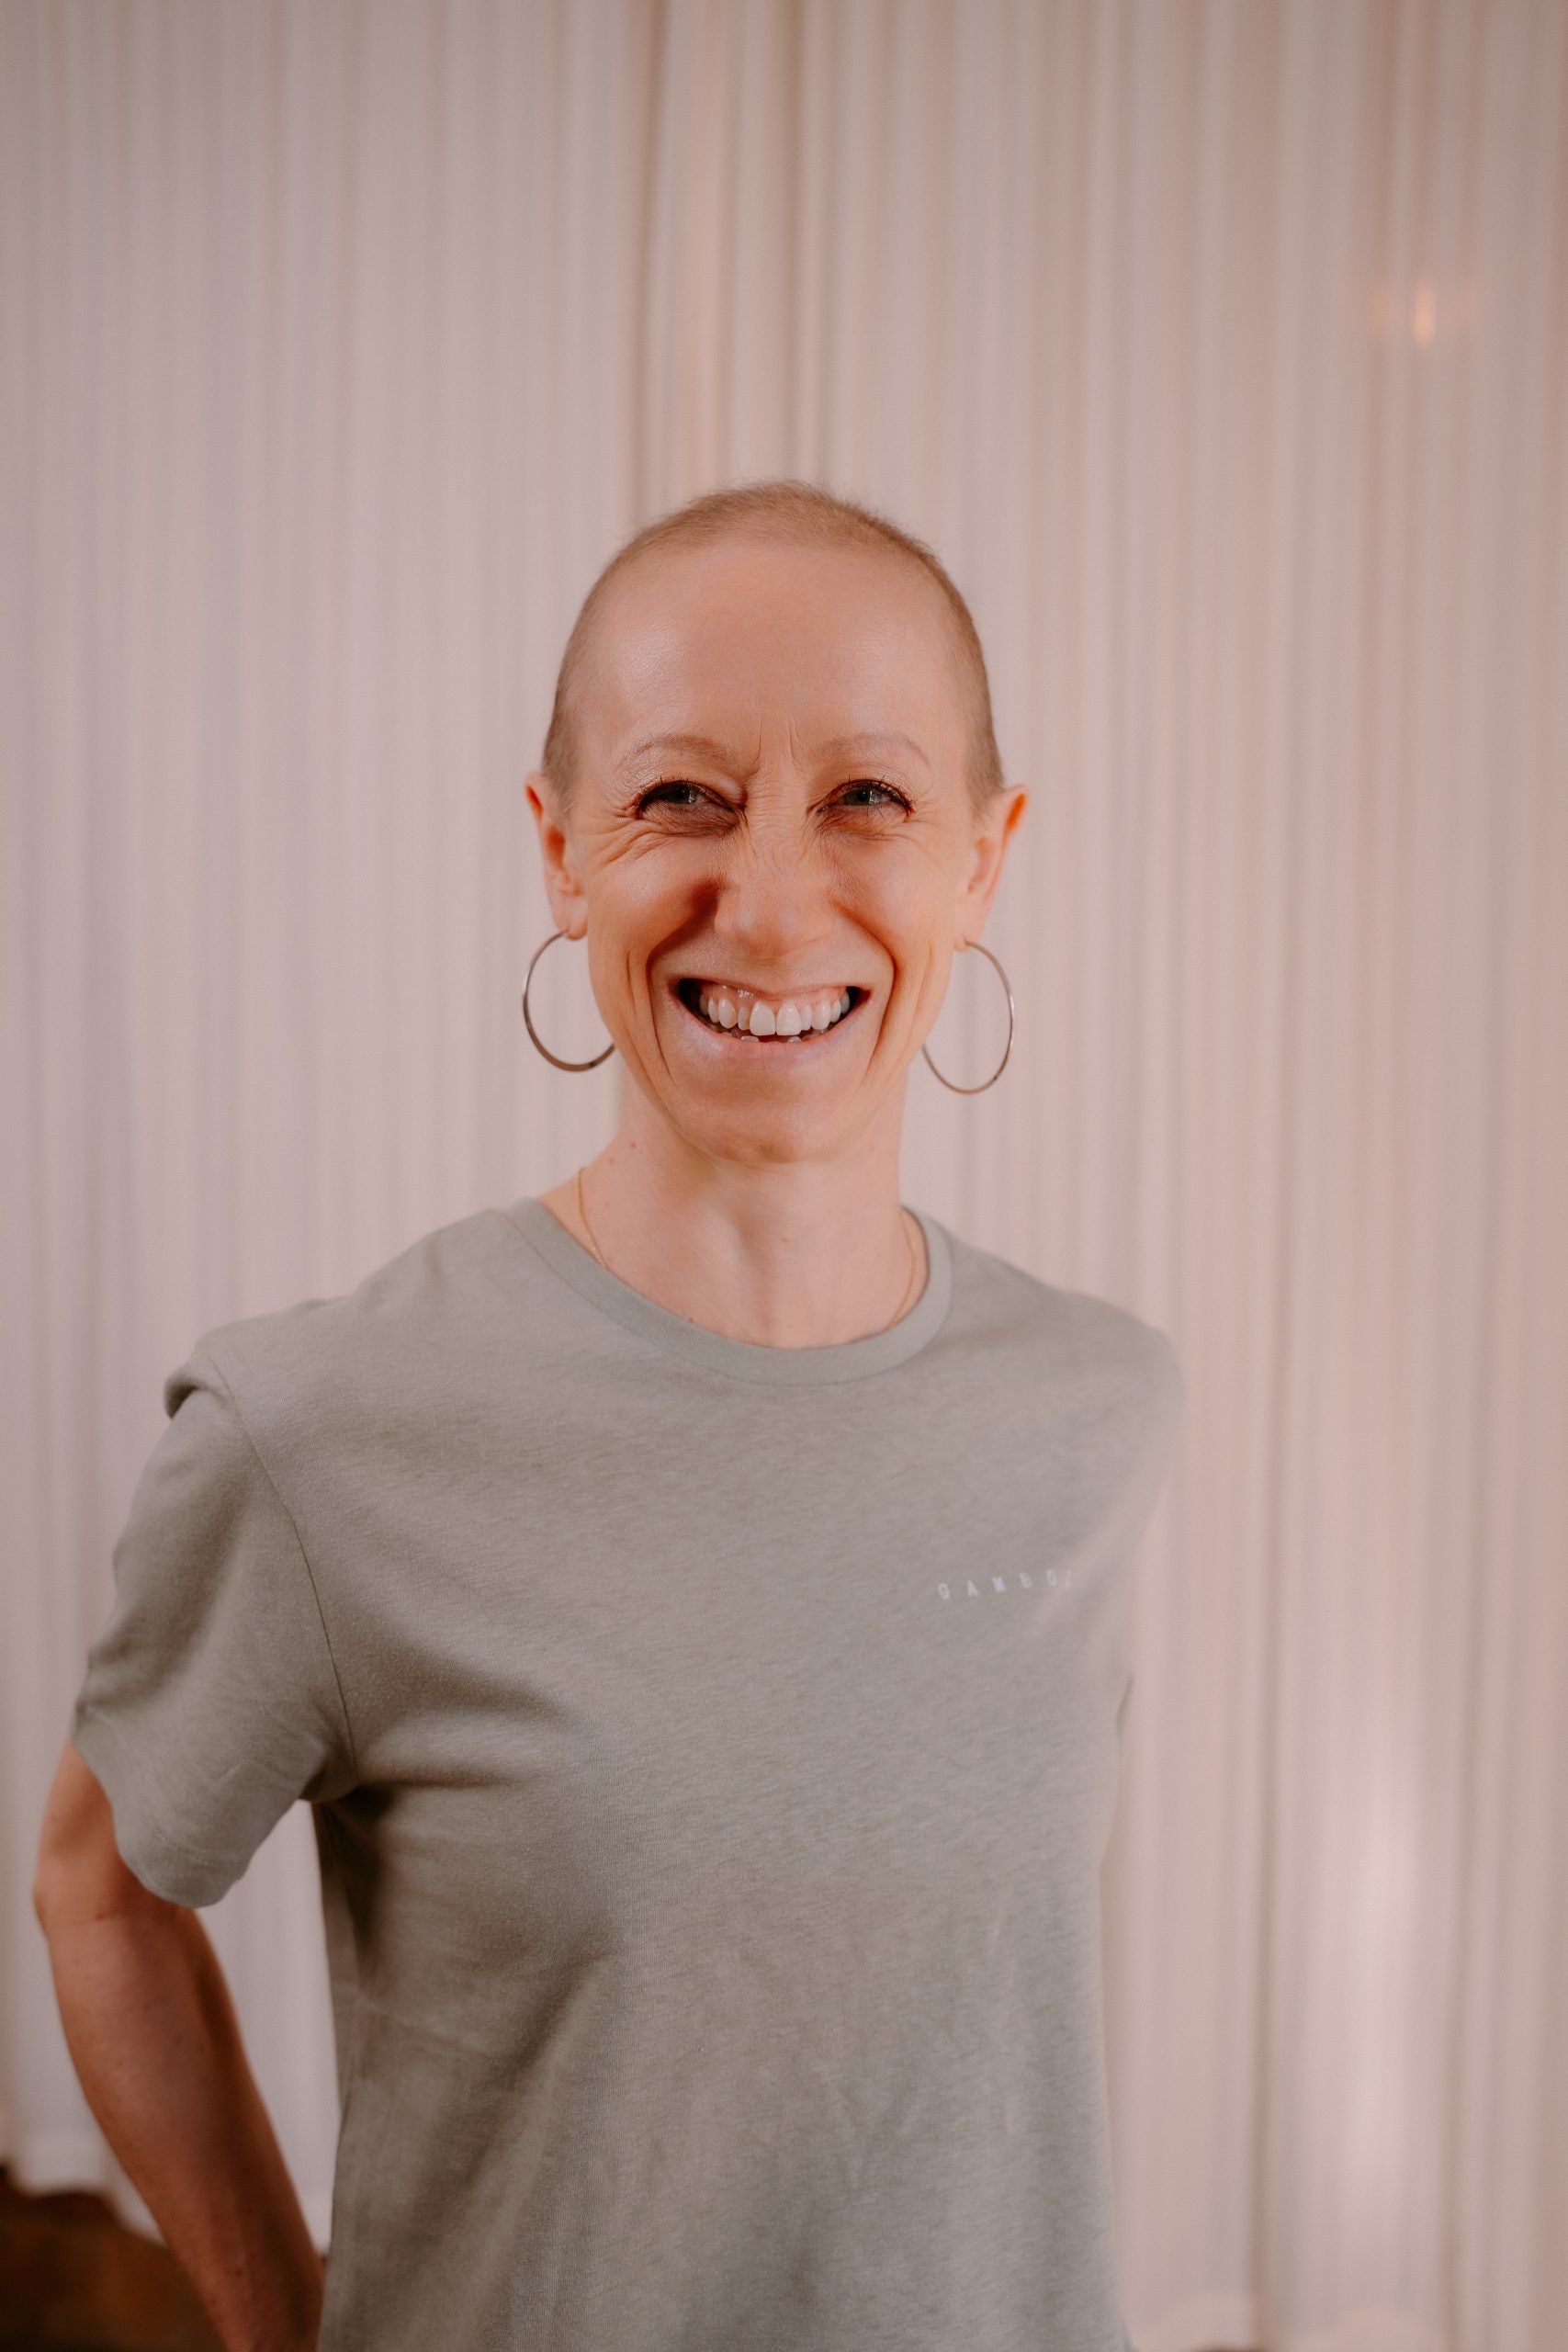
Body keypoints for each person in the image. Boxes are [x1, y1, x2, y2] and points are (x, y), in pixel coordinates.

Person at [34, 479, 1183, 2352]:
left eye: (866, 797)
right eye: (679, 794)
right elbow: (97, 1886)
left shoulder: (1100, 1406)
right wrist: (287, 2323)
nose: (772, 893)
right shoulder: (319, 1432)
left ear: (985, 857)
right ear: (558, 845)